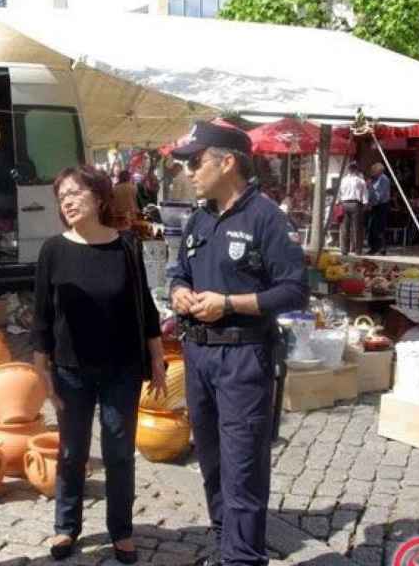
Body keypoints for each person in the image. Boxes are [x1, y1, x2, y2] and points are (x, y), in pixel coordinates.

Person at [168, 121, 307, 566]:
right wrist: (178, 292)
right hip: (199, 354)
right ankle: (226, 543)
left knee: (243, 466)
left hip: (244, 356)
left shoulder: (266, 217)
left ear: (227, 162)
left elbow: (294, 291)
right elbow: (179, 272)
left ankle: (243, 559)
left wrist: (230, 303)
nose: (189, 171)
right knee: (210, 461)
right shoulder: (199, 217)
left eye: (195, 162)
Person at [32, 166, 166, 564]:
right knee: (72, 450)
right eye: (62, 197)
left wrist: (157, 355)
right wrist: (42, 369)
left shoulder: (126, 247)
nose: (68, 202)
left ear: (99, 197)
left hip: (121, 368)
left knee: (119, 451)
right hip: (71, 370)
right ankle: (66, 526)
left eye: (75, 193)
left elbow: (144, 304)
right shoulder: (53, 250)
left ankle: (121, 530)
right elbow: (41, 315)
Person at [337, 162, 368, 255]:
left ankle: (344, 250)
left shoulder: (343, 180)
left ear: (348, 170)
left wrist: (338, 202)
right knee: (357, 228)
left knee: (344, 228)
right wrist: (365, 203)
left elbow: (339, 193)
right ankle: (358, 251)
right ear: (356, 170)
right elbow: (365, 194)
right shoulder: (360, 180)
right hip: (356, 204)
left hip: (344, 203)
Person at [366, 163, 391, 255]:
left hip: (380, 205)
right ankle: (374, 247)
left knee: (379, 227)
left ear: (379, 170)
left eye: (373, 170)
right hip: (374, 205)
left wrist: (372, 204)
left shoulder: (383, 179)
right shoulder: (375, 179)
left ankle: (380, 248)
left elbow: (380, 194)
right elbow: (371, 192)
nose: (372, 172)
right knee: (372, 227)